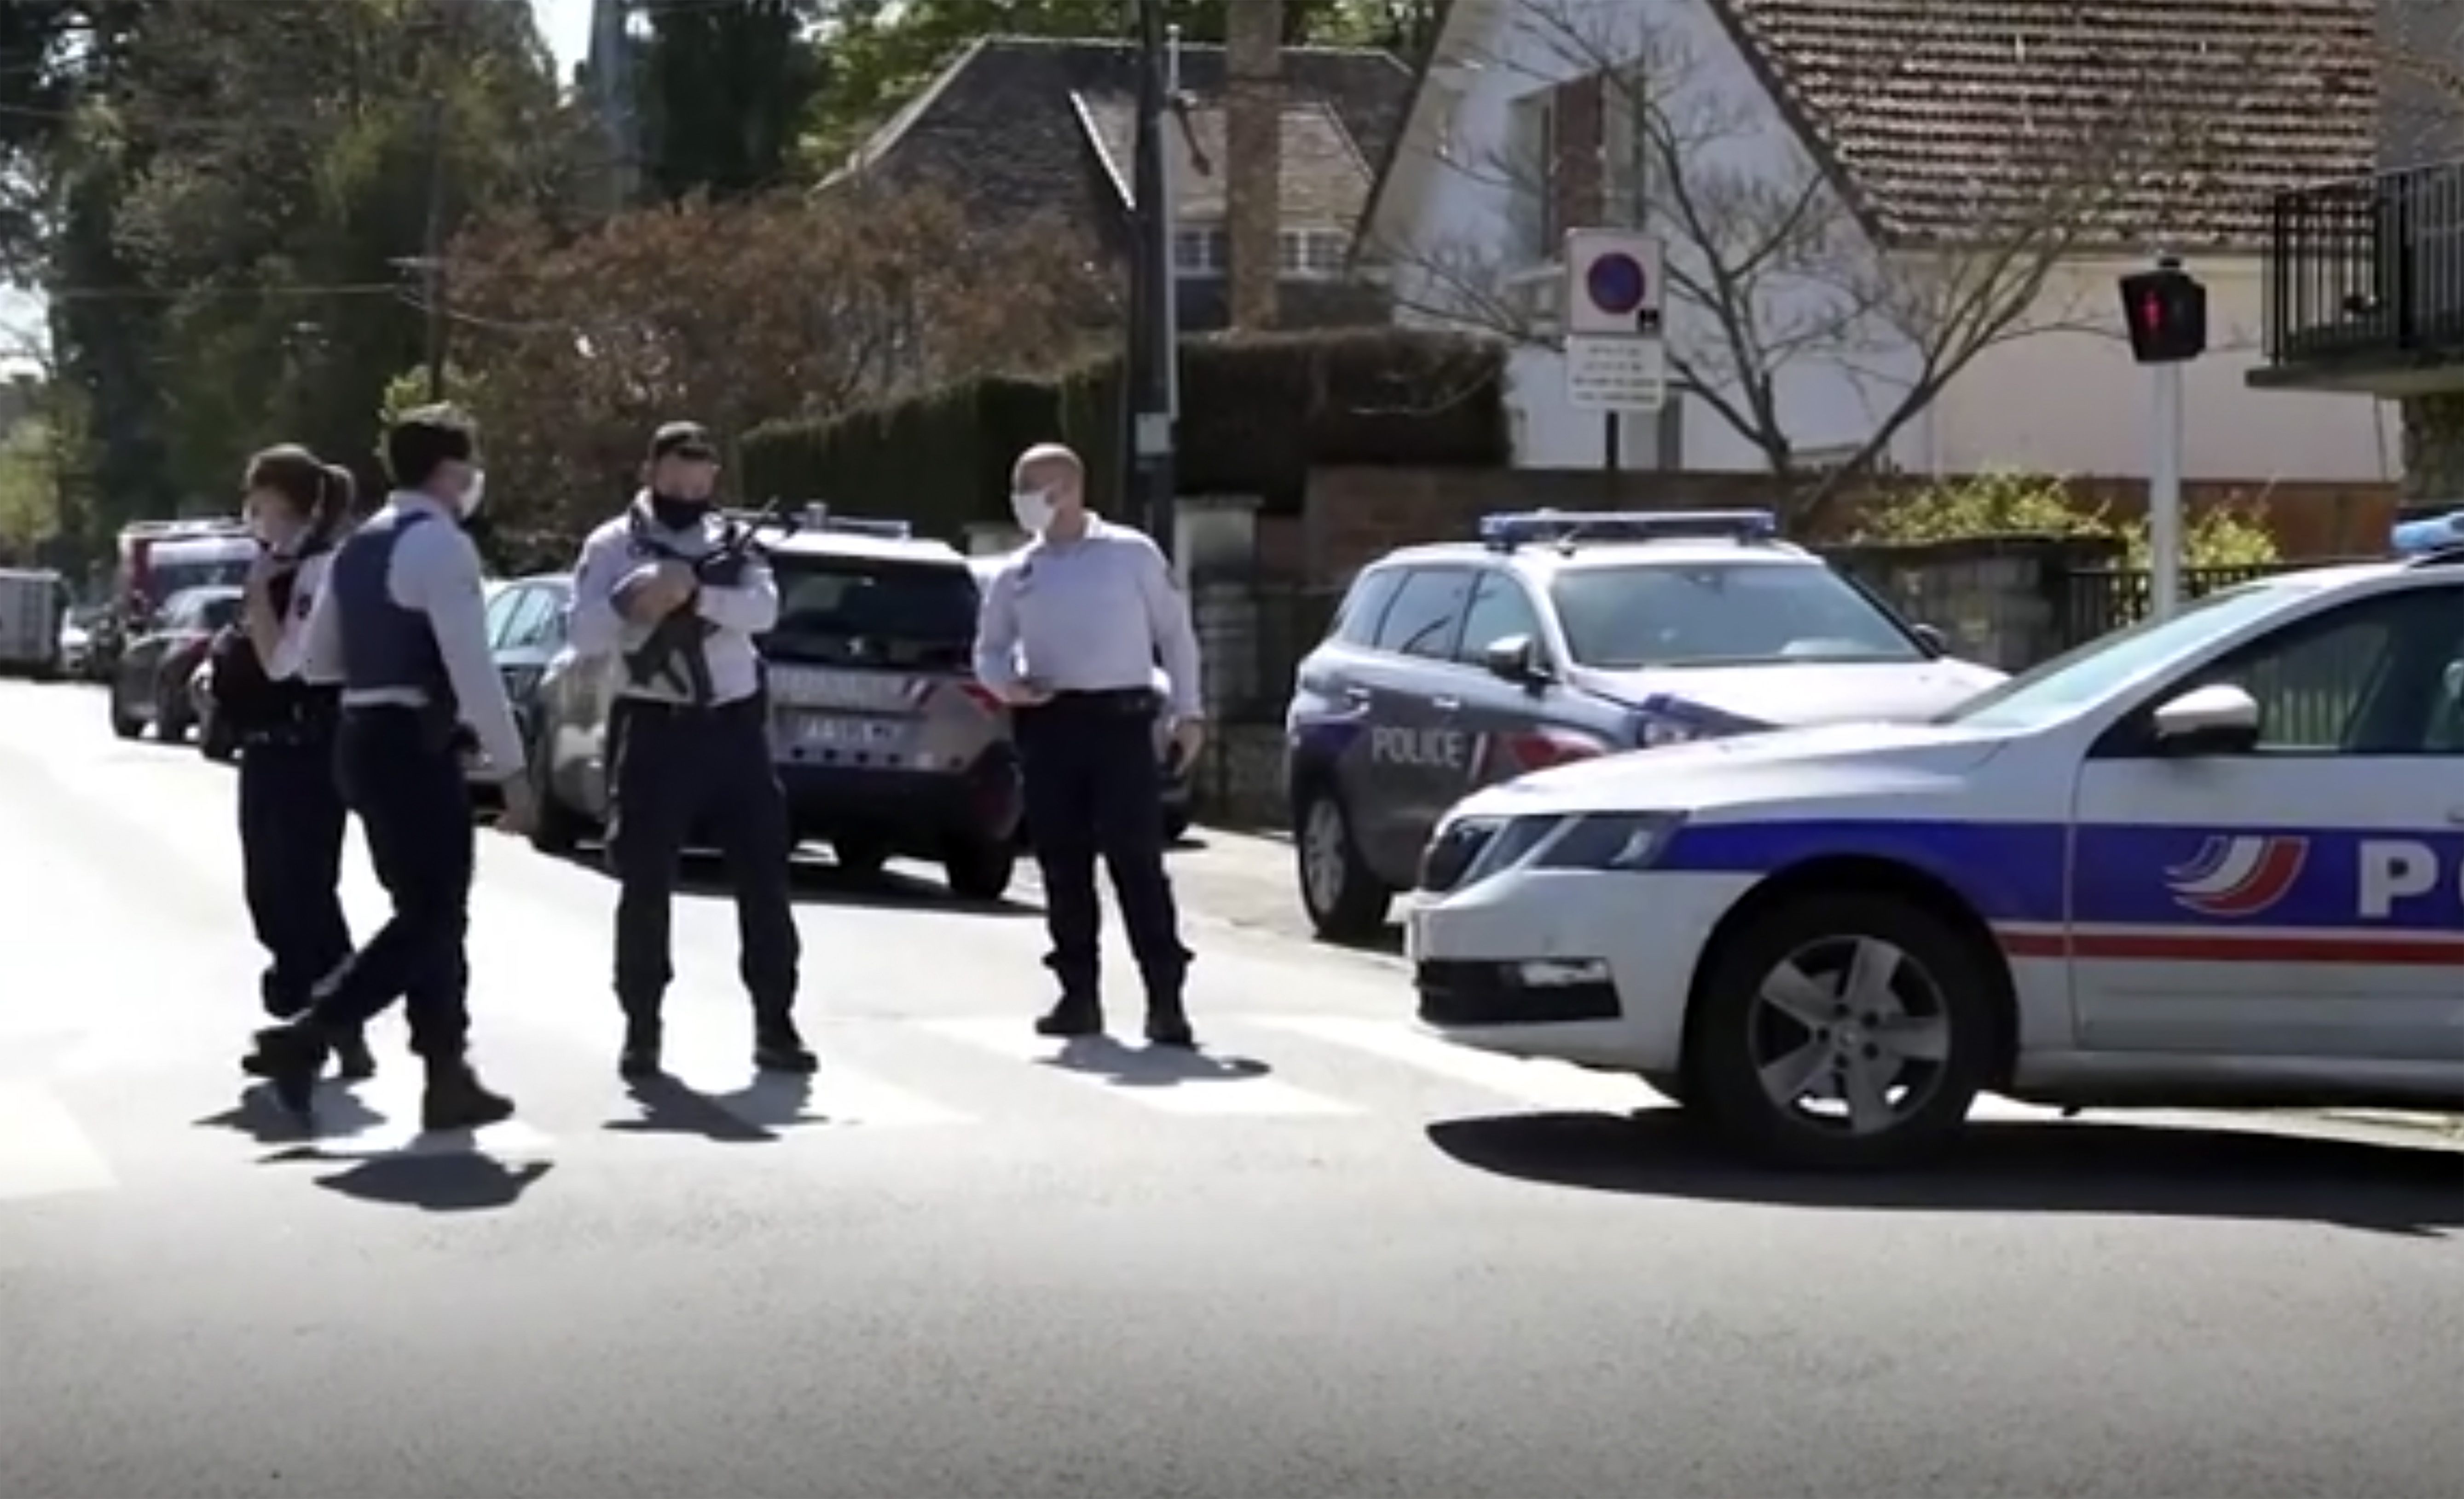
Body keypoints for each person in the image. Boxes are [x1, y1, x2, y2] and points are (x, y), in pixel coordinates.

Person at [240, 405, 533, 1130]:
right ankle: (312, 1030)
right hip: (411, 739)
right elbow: (473, 664)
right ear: (452, 470)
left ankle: (445, 1070)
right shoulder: (441, 546)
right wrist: (515, 770)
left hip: (359, 734)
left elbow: (318, 660)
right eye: (468, 466)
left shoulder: (359, 546)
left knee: (429, 912)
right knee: (433, 910)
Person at [565, 420, 810, 1082]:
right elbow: (583, 631)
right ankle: (642, 1028)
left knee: (764, 879)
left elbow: (763, 610)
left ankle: (775, 1023)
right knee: (644, 882)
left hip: (733, 727)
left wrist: (698, 594)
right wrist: (640, 600)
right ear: (651, 470)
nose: (688, 482)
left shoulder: (731, 540)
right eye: (676, 469)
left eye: (700, 470)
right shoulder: (613, 544)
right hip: (655, 726)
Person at [972, 443, 1205, 1047]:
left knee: (1137, 862)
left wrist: (1190, 712)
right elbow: (989, 647)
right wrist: (1006, 686)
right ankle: (1078, 993)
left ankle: (1165, 998)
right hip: (1049, 722)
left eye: (1034, 486)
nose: (1023, 498)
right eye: (1018, 485)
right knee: (1061, 863)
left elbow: (1176, 635)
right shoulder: (1017, 571)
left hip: (1120, 722)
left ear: (1069, 489)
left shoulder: (1130, 555)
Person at [215, 445, 374, 1081]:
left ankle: (336, 1015)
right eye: (253, 508)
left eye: (269, 508)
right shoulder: (273, 566)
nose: (258, 520)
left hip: (311, 749)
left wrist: (256, 599)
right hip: (262, 748)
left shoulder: (321, 570)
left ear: (303, 510)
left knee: (308, 887)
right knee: (266, 888)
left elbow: (288, 662)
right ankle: (304, 990)